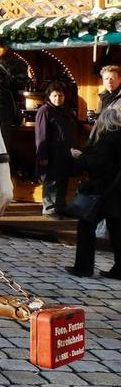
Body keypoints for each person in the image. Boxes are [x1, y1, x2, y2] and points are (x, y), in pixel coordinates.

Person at [66, 105, 121, 279]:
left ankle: (83, 267)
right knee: (117, 231)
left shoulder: (108, 139)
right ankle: (120, 269)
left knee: (85, 226)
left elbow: (99, 164)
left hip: (103, 191)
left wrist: (80, 157)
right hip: (117, 192)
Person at [35, 82, 78, 217]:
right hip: (51, 153)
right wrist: (43, 156)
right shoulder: (45, 110)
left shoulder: (66, 111)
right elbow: (41, 135)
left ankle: (59, 207)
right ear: (49, 96)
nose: (57, 98)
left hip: (65, 153)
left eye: (60, 95)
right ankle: (49, 209)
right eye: (54, 96)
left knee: (62, 181)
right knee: (51, 182)